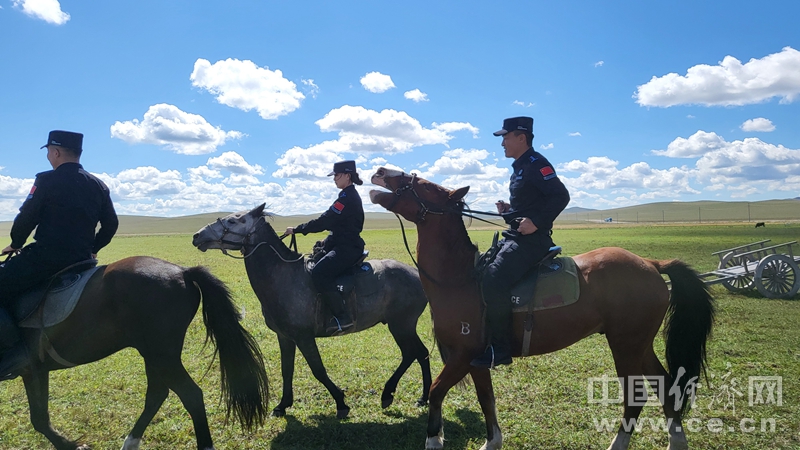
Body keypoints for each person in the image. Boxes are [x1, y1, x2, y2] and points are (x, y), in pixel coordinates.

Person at [0, 130, 119, 379]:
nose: (49, 157)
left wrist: (16, 242)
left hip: (45, 259)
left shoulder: (45, 180)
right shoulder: (99, 185)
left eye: (48, 153)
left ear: (54, 152)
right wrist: (93, 248)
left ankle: (14, 350)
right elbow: (111, 225)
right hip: (83, 261)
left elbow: (27, 216)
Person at [472, 117, 571, 369]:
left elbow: (560, 196)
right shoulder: (520, 167)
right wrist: (510, 211)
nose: (502, 143)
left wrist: (536, 222)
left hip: (532, 241)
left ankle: (500, 349)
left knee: (493, 279)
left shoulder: (537, 164)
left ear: (521, 138)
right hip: (516, 236)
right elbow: (529, 205)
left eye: (506, 137)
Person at [285, 160, 365, 335]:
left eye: (336, 175)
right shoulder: (346, 195)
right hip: (341, 243)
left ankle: (343, 317)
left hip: (348, 248)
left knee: (320, 272)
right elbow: (338, 226)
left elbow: (326, 220)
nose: (334, 179)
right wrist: (326, 242)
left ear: (347, 176)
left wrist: (298, 229)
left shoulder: (347, 198)